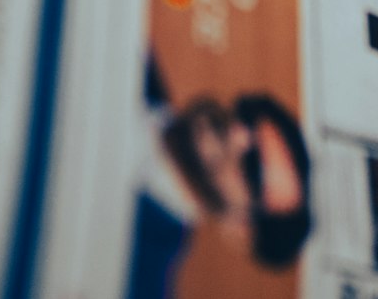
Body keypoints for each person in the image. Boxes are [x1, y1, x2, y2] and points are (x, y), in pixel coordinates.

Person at [128, 82, 312, 297]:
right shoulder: (143, 69)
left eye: (253, 168)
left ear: (241, 230)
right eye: (249, 118)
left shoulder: (136, 282)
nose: (237, 133)